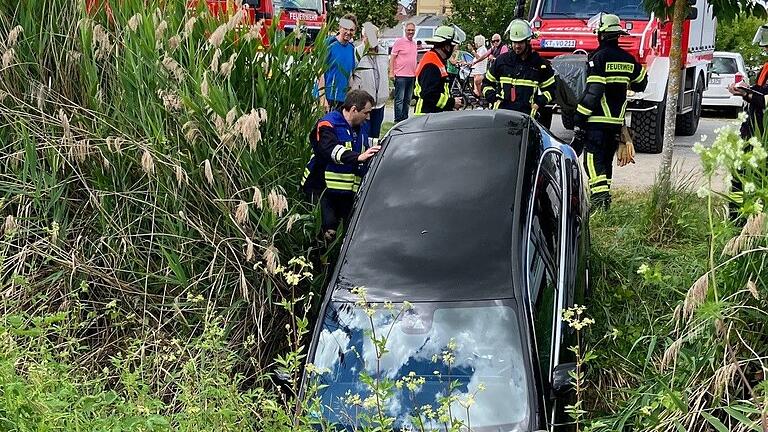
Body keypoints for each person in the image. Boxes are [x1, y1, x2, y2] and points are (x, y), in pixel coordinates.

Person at [571, 13, 647, 209]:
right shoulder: (628, 59)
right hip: (615, 123)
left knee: (592, 163)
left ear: (601, 35)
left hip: (596, 121)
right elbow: (641, 83)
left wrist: (579, 116)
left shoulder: (598, 58)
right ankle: (606, 205)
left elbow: (593, 92)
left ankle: (599, 205)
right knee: (605, 163)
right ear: (617, 35)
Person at [302, 90, 381, 239]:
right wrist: (358, 157)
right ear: (353, 110)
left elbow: (363, 142)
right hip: (321, 187)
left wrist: (382, 144)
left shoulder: (360, 124)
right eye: (366, 112)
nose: (368, 117)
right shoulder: (328, 123)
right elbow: (328, 149)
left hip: (345, 191)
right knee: (328, 229)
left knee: (347, 230)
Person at [726, 23, 768, 218]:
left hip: (763, 135)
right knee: (738, 177)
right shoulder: (765, 67)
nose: (764, 47)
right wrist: (744, 92)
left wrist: (748, 95)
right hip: (752, 131)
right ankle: (736, 219)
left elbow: (765, 100)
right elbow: (759, 93)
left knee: (756, 178)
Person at [482, 19, 555, 118]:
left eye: (520, 42)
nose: (516, 46)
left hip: (527, 118)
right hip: (502, 116)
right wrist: (495, 101)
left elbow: (551, 89)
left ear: (528, 41)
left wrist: (538, 104)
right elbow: (486, 84)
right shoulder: (501, 61)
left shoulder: (539, 64)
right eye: (514, 42)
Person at [413, 25, 464, 115]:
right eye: (453, 46)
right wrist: (451, 102)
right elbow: (429, 94)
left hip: (433, 114)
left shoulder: (436, 59)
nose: (453, 50)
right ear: (447, 46)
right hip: (426, 115)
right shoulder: (431, 64)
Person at [351, 22, 389, 138]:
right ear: (364, 37)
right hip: (364, 104)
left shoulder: (383, 53)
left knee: (375, 137)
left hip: (380, 104)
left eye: (375, 37)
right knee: (363, 136)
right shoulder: (357, 52)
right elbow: (353, 77)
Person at [316, 14, 358, 112]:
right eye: (346, 29)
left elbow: (350, 76)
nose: (348, 32)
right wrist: (322, 99)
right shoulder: (329, 44)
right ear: (340, 28)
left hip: (342, 99)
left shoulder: (351, 49)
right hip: (328, 97)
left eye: (351, 30)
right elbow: (320, 73)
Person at [390, 22, 417, 123]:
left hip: (411, 75)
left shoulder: (414, 43)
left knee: (407, 100)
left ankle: (404, 120)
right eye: (409, 30)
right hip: (401, 75)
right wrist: (391, 72)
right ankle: (398, 120)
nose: (410, 32)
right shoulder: (399, 42)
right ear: (405, 30)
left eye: (412, 30)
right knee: (399, 99)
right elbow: (392, 58)